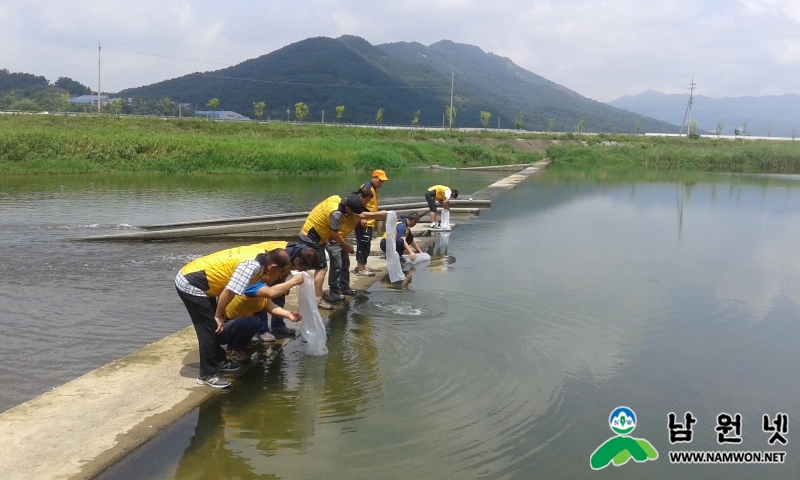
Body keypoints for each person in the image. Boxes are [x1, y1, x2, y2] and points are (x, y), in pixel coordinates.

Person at [175, 246, 292, 388]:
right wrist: (218, 315)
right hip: (192, 283)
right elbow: (229, 291)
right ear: (273, 266)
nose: (280, 276)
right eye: (280, 272)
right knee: (207, 329)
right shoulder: (252, 266)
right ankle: (207, 374)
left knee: (213, 327)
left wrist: (219, 312)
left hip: (204, 283)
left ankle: (218, 360)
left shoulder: (263, 258)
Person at [299, 191, 386, 309]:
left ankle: (332, 291)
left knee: (331, 265)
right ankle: (318, 298)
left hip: (321, 236)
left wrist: (380, 214)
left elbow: (359, 215)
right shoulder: (336, 214)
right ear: (348, 209)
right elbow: (334, 234)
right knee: (322, 268)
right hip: (311, 236)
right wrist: (347, 246)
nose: (356, 216)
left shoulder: (338, 200)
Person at [224, 261, 305, 359]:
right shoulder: (252, 285)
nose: (277, 278)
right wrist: (293, 281)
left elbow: (271, 306)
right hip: (224, 328)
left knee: (254, 320)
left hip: (233, 326)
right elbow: (271, 292)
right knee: (254, 322)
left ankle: (243, 342)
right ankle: (233, 349)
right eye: (277, 274)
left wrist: (288, 314)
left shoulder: (261, 288)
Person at [243, 240, 318, 340]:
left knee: (280, 293)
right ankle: (262, 330)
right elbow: (275, 272)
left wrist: (283, 284)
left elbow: (286, 269)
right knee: (261, 297)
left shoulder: (300, 252)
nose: (303, 271)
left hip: (273, 268)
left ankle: (278, 325)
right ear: (296, 260)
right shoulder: (284, 256)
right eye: (303, 268)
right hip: (261, 267)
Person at [353, 169, 388, 277]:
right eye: (379, 180)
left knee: (365, 244)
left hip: (369, 221)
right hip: (364, 222)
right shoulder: (367, 188)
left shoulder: (373, 188)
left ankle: (361, 266)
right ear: (374, 177)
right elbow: (357, 202)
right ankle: (361, 268)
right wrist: (362, 218)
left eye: (383, 181)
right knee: (363, 244)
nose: (381, 183)